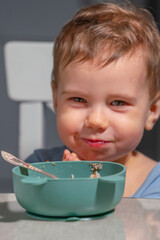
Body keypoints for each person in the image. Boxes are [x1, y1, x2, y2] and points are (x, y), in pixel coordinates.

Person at [26, 2, 160, 198]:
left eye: (118, 103)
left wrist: (88, 195)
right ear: (56, 99)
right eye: (78, 99)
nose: (96, 121)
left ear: (152, 110)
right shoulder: (37, 167)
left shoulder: (156, 187)